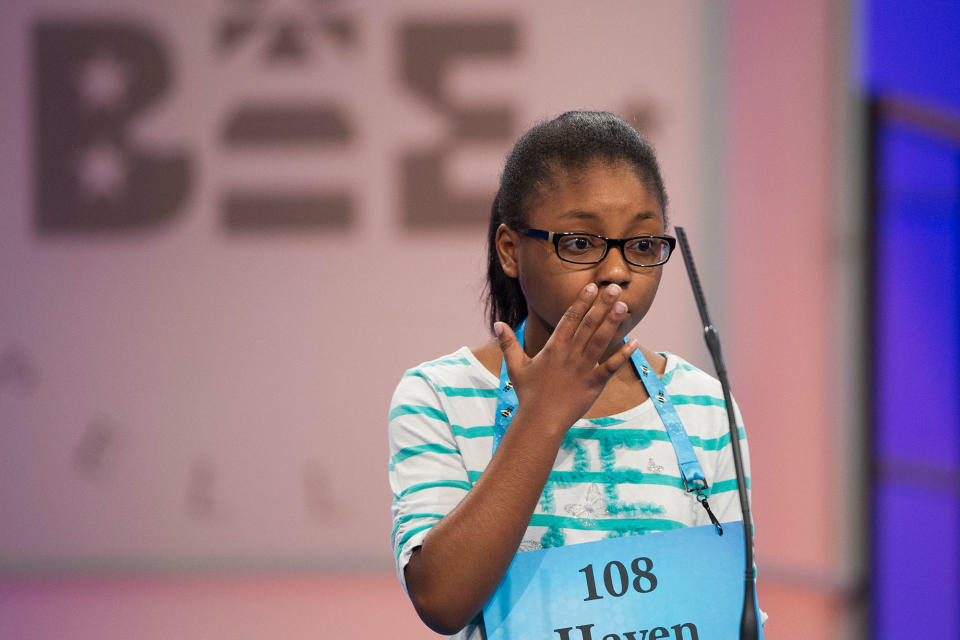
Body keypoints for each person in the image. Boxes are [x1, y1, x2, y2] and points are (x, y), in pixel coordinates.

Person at [388, 111, 756, 639]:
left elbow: (732, 611)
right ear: (511, 250)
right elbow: (441, 601)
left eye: (643, 244)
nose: (617, 271)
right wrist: (543, 414)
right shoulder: (440, 394)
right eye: (580, 243)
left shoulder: (703, 404)